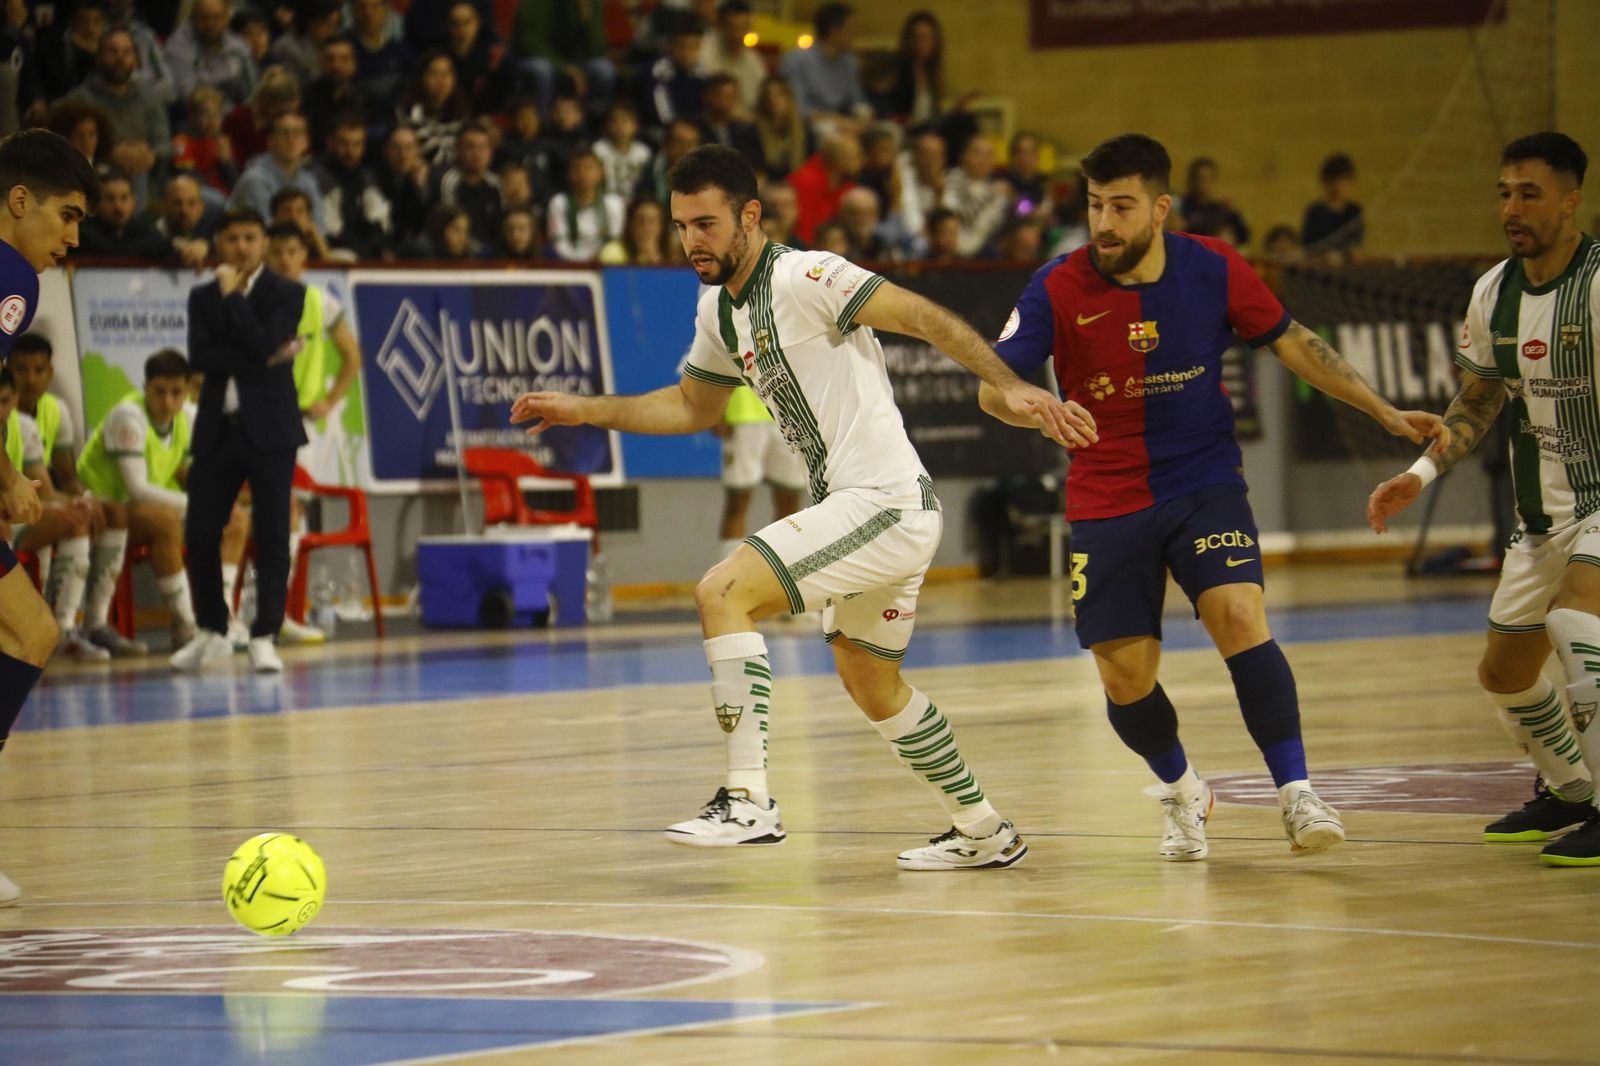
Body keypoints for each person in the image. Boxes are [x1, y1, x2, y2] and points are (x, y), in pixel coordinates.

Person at [510, 144, 1089, 868]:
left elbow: (927, 318)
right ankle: (982, 828)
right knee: (871, 684)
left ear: (751, 217)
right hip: (869, 512)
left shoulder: (808, 275)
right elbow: (692, 406)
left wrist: (1011, 385)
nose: (692, 239)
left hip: (883, 501)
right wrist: (585, 409)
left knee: (721, 592)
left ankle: (748, 801)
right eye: (682, 223)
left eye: (708, 223)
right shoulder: (718, 311)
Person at [987, 133, 1442, 861]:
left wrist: (1384, 412)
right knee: (1124, 675)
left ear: (1161, 208)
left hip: (1202, 482)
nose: (1105, 223)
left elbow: (1295, 344)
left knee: (1238, 613)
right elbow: (993, 385)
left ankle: (1297, 794)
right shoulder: (1056, 285)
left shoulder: (1215, 267)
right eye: (1097, 206)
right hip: (1107, 498)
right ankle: (1182, 791)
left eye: (1123, 207)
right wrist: (1030, 402)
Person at [1367, 132, 1600, 866]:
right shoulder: (1494, 290)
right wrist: (1420, 473)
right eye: (1504, 192)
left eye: (1529, 193)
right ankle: (1570, 790)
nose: (1512, 207)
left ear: (1571, 200)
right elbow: (1477, 401)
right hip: (1541, 520)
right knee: (1504, 673)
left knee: (1576, 621)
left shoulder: (1597, 285)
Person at [0, 128, 101, 906]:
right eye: (66, 216)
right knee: (30, 632)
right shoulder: (9, 274)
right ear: (20, 201)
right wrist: (8, 478)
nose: (72, 237)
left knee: (27, 631)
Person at [171, 208, 308, 675]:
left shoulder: (288, 292)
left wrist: (234, 299)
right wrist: (261, 355)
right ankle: (212, 629)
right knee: (200, 533)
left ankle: (265, 634)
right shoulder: (200, 296)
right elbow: (202, 356)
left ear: (265, 241)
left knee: (272, 535)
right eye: (232, 239)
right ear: (219, 245)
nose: (242, 247)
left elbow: (261, 341)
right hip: (217, 427)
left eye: (251, 238)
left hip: (271, 431)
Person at [77, 350, 246, 655]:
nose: (168, 401)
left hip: (147, 511)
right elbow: (137, 489)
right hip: (102, 508)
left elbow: (196, 475)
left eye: (176, 392)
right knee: (165, 521)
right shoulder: (128, 417)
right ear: (145, 388)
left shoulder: (191, 418)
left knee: (236, 519)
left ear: (186, 391)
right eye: (159, 392)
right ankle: (186, 625)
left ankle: (222, 619)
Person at [6, 332, 143, 657]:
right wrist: (79, 504)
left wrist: (89, 498)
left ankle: (93, 624)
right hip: (18, 514)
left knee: (112, 513)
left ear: (50, 373)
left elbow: (67, 481)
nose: (30, 379)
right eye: (22, 370)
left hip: (31, 507)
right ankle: (63, 629)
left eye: (38, 370)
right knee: (74, 517)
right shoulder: (18, 422)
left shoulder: (51, 412)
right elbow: (50, 492)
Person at [1, 365, 104, 661]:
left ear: (15, 399)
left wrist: (74, 502)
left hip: (14, 518)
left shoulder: (22, 427)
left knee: (72, 519)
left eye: (5, 400)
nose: (1, 409)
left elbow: (42, 489)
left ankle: (67, 628)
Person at [777, 2, 868, 133]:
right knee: (827, 130)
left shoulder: (848, 62)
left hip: (842, 121)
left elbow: (856, 101)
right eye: (851, 29)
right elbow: (797, 108)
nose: (855, 35)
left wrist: (864, 115)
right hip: (808, 125)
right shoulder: (796, 60)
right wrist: (837, 120)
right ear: (834, 31)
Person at [548, 150, 624, 262]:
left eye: (588, 168)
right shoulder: (559, 202)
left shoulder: (614, 203)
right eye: (577, 168)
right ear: (569, 174)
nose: (582, 174)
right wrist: (581, 263)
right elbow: (559, 244)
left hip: (604, 263)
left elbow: (614, 242)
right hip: (569, 263)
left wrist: (597, 260)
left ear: (600, 173)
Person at [1301, 152, 1363, 262]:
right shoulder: (1314, 212)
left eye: (1343, 180)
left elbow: (1356, 245)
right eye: (1334, 180)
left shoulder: (1354, 211)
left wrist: (1350, 255)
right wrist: (1324, 257)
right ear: (1325, 182)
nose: (1338, 186)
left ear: (1350, 182)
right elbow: (1308, 249)